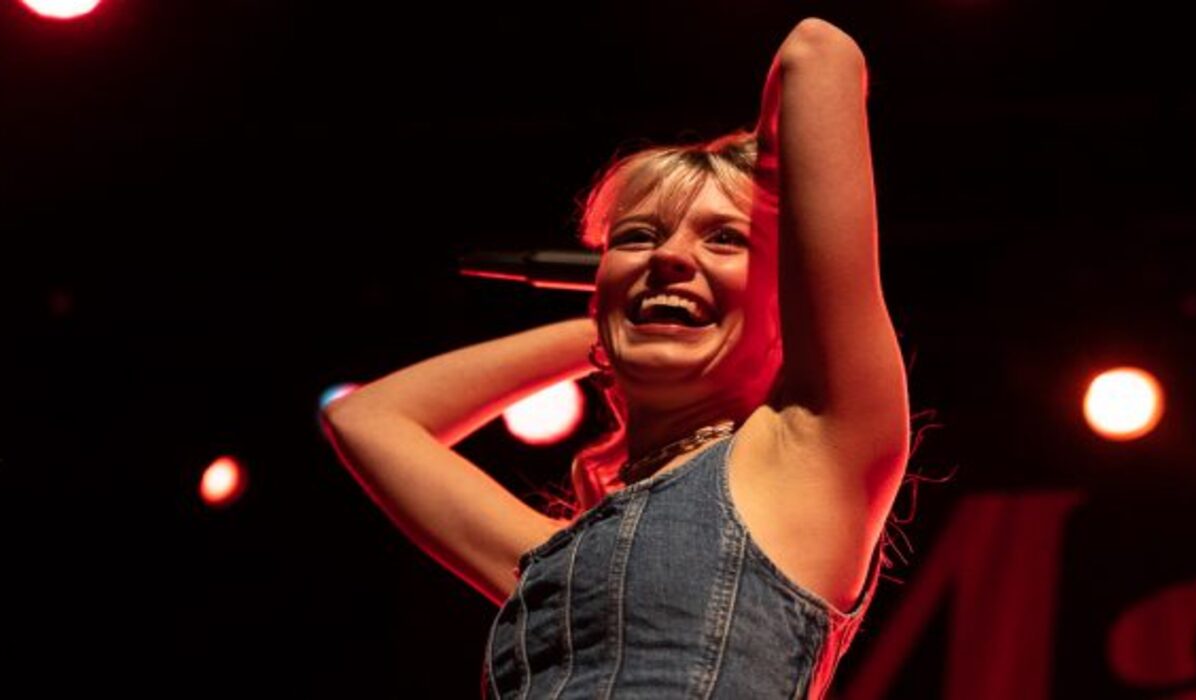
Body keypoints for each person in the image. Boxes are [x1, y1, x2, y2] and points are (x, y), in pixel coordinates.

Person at [320, 17, 909, 698]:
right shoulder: (549, 556)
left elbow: (818, 51)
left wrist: (767, 185)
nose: (667, 256)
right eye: (638, 237)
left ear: (786, 302)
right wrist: (614, 317)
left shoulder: (810, 451)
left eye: (723, 238)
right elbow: (367, 418)